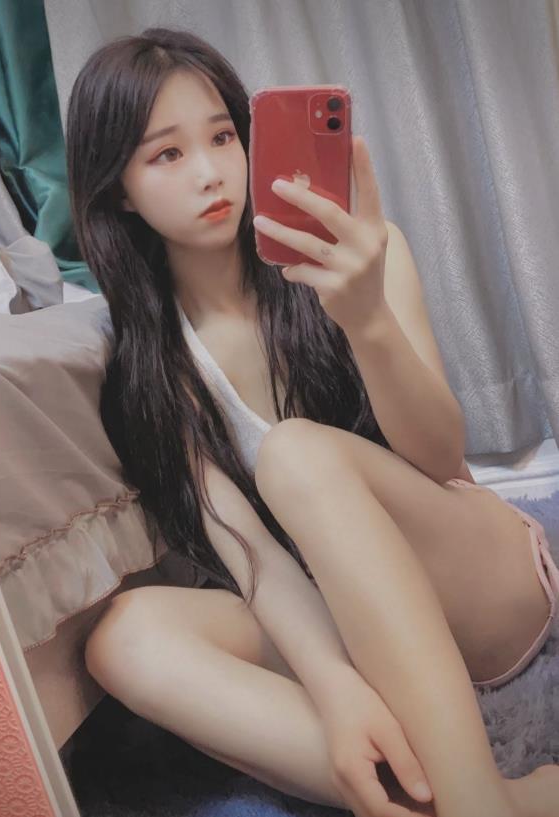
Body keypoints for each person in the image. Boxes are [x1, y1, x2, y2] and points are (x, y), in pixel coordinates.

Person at [65, 26, 559, 817]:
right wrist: (333, 688)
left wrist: (367, 320)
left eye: (223, 137)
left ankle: (474, 804)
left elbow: (443, 461)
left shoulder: (361, 254)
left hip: (477, 586)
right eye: (167, 154)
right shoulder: (152, 369)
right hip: (346, 618)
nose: (210, 172)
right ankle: (465, 798)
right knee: (123, 636)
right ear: (119, 189)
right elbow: (254, 556)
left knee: (295, 453)